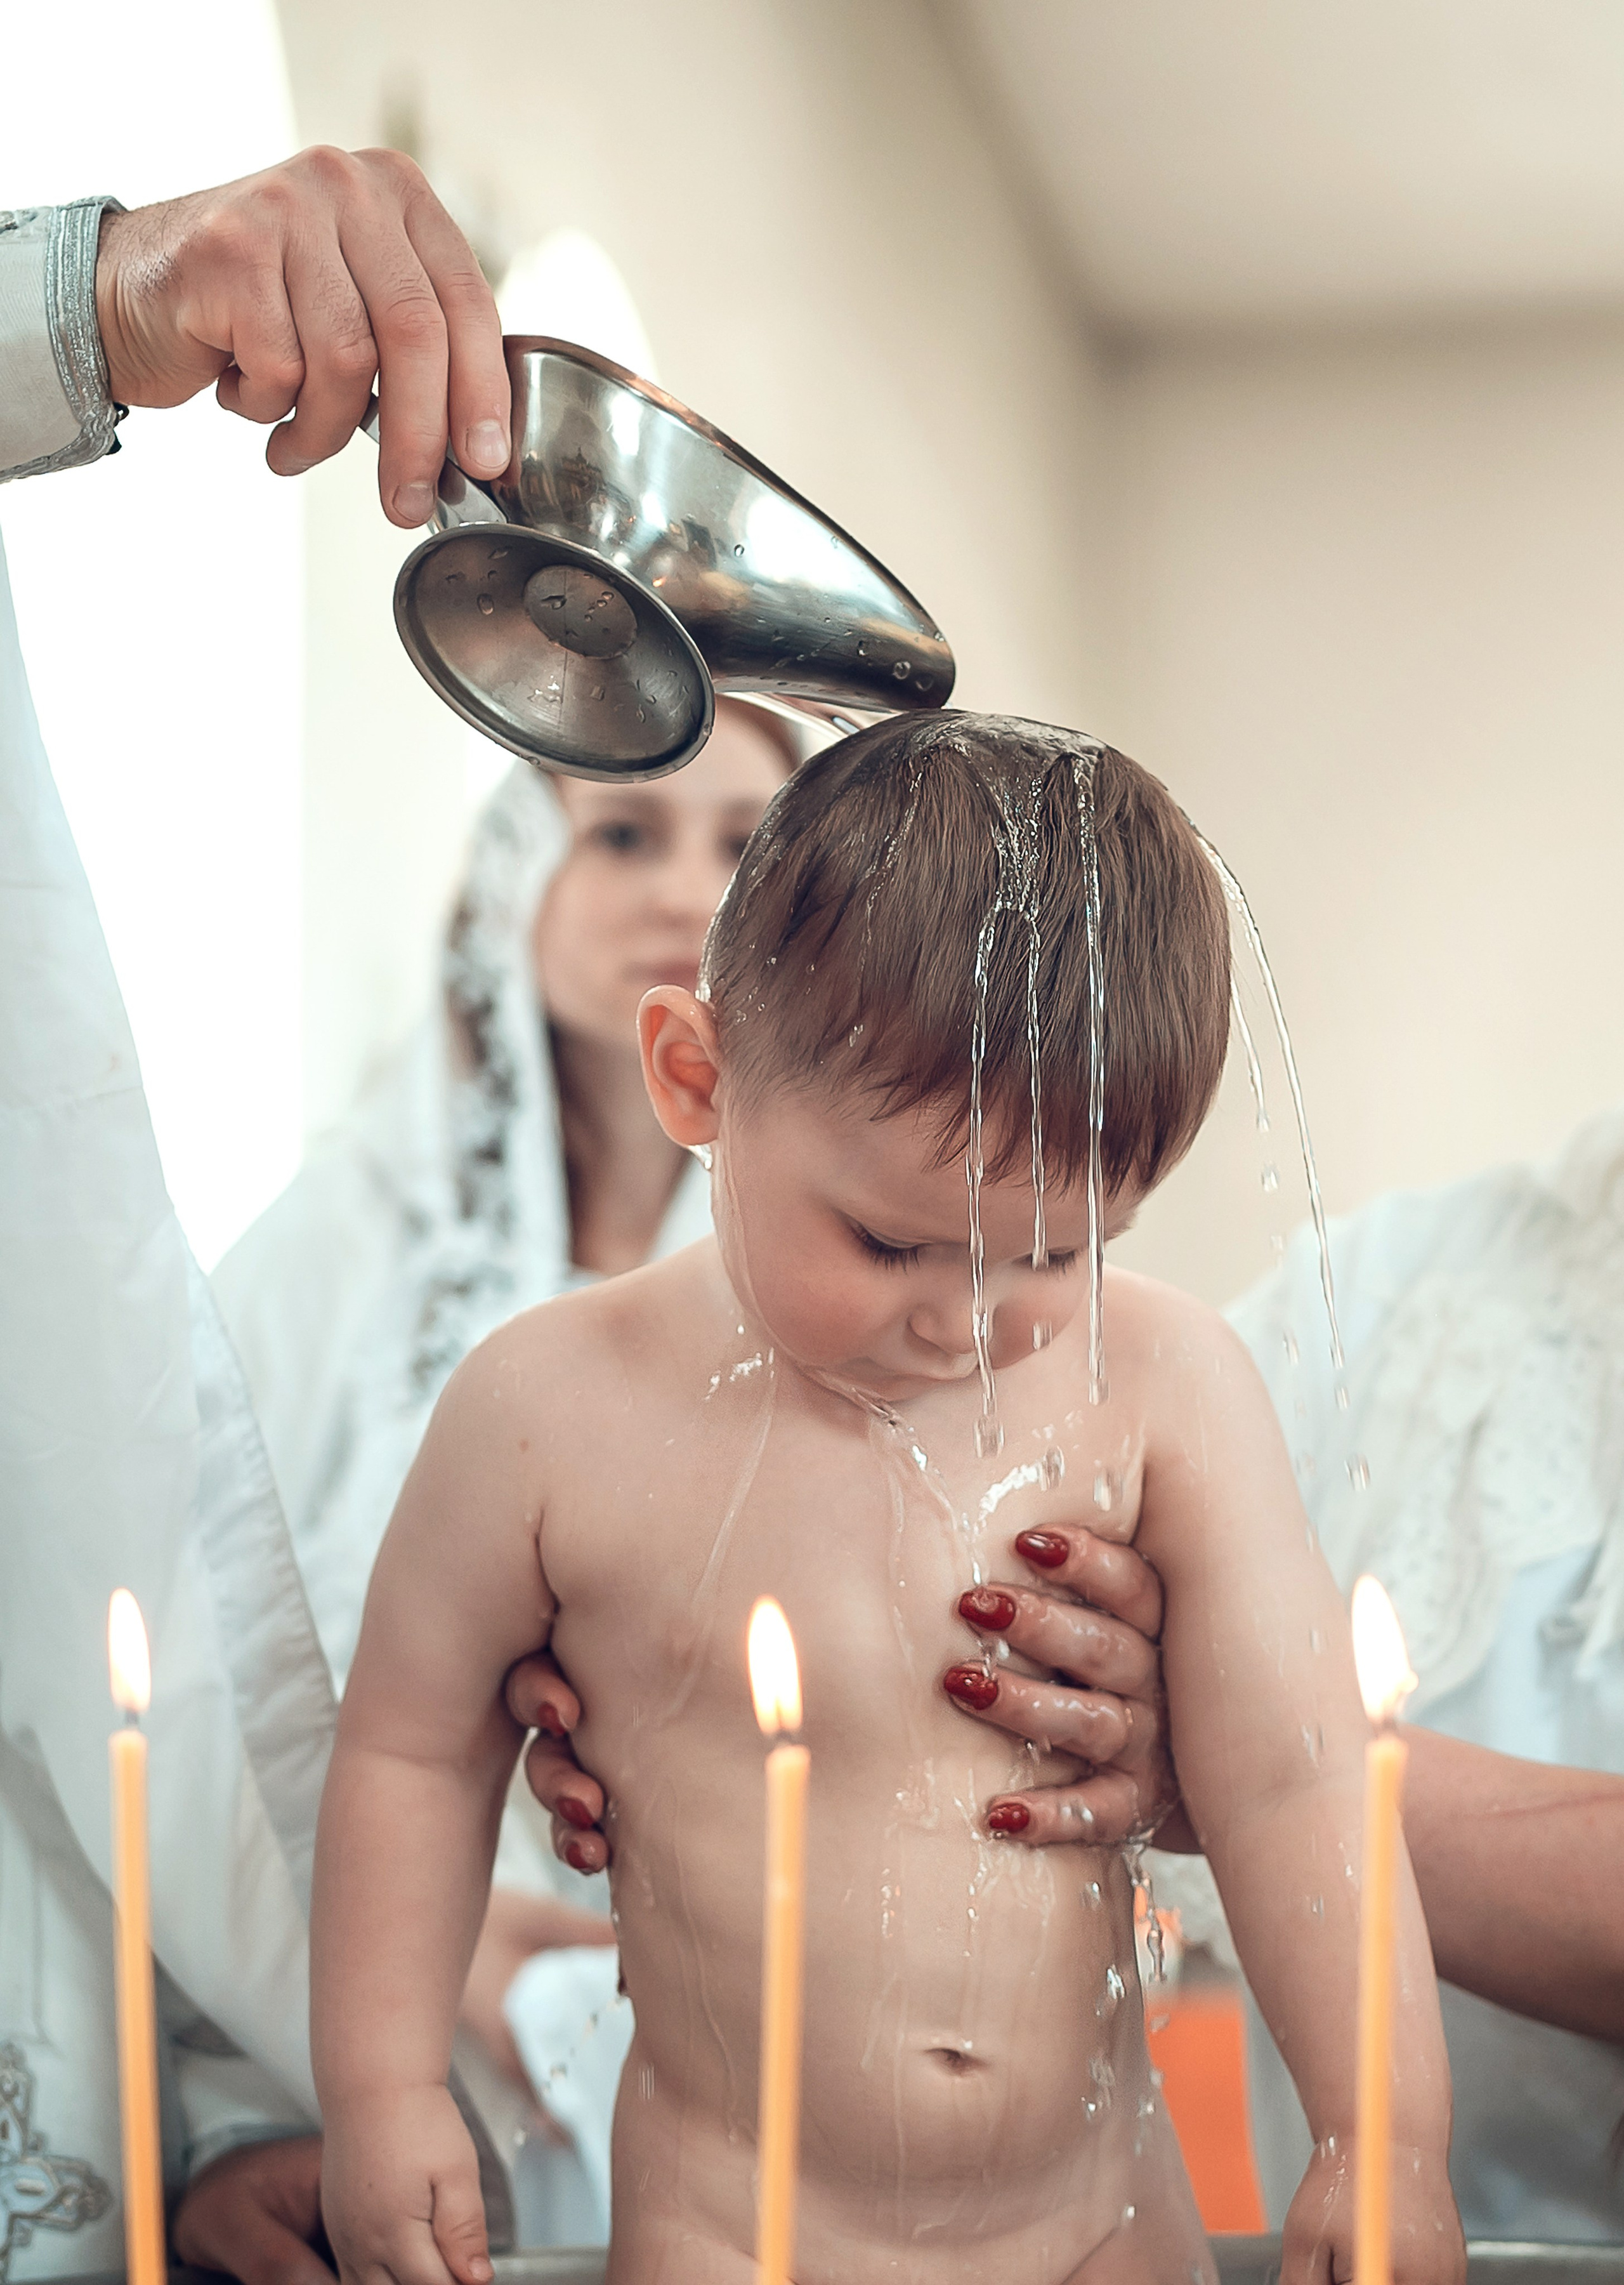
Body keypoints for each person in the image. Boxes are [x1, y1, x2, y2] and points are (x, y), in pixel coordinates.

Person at [310, 720, 1464, 2285]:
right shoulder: (547, 1411)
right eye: (888, 1242)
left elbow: (1300, 1781)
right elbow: (407, 1749)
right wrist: (379, 2095)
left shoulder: (1162, 1386)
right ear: (694, 1078)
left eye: (1050, 1256)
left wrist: (1377, 2134)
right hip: (736, 2227)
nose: (962, 1322)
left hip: (1103, 2220)